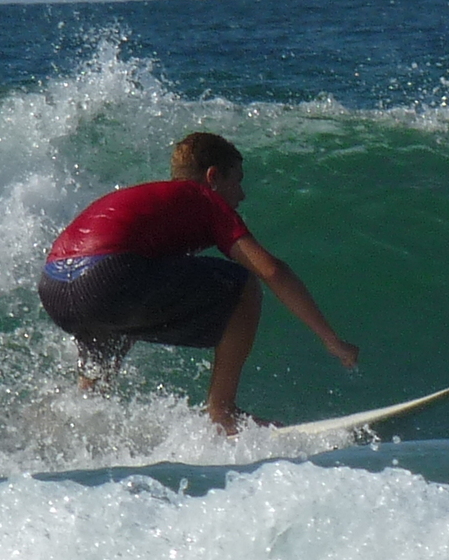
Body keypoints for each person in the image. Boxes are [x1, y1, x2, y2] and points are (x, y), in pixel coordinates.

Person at [37, 132, 359, 433]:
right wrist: (331, 339)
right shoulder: (205, 199)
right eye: (237, 182)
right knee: (244, 286)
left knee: (116, 322)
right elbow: (272, 270)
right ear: (213, 177)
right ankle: (223, 412)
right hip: (108, 276)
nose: (242, 195)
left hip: (55, 287)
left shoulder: (156, 199)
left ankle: (82, 418)